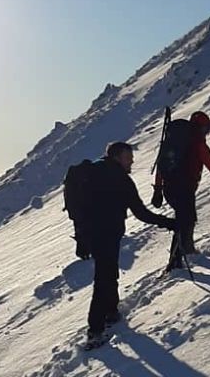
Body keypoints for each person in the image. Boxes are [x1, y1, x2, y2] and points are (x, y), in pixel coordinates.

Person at [78, 142, 175, 347]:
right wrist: (167, 222)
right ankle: (95, 330)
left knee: (108, 271)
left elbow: (80, 207)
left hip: (91, 235)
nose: (132, 161)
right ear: (117, 157)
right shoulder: (121, 180)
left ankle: (111, 312)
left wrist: (81, 238)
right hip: (107, 233)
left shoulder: (92, 173)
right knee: (103, 279)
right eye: (128, 157)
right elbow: (141, 213)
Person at [152, 111, 210, 272]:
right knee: (184, 221)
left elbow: (161, 166)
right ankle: (175, 262)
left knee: (187, 218)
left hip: (169, 188)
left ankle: (187, 250)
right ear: (203, 128)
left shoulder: (173, 142)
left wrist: (158, 190)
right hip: (185, 188)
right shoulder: (199, 145)